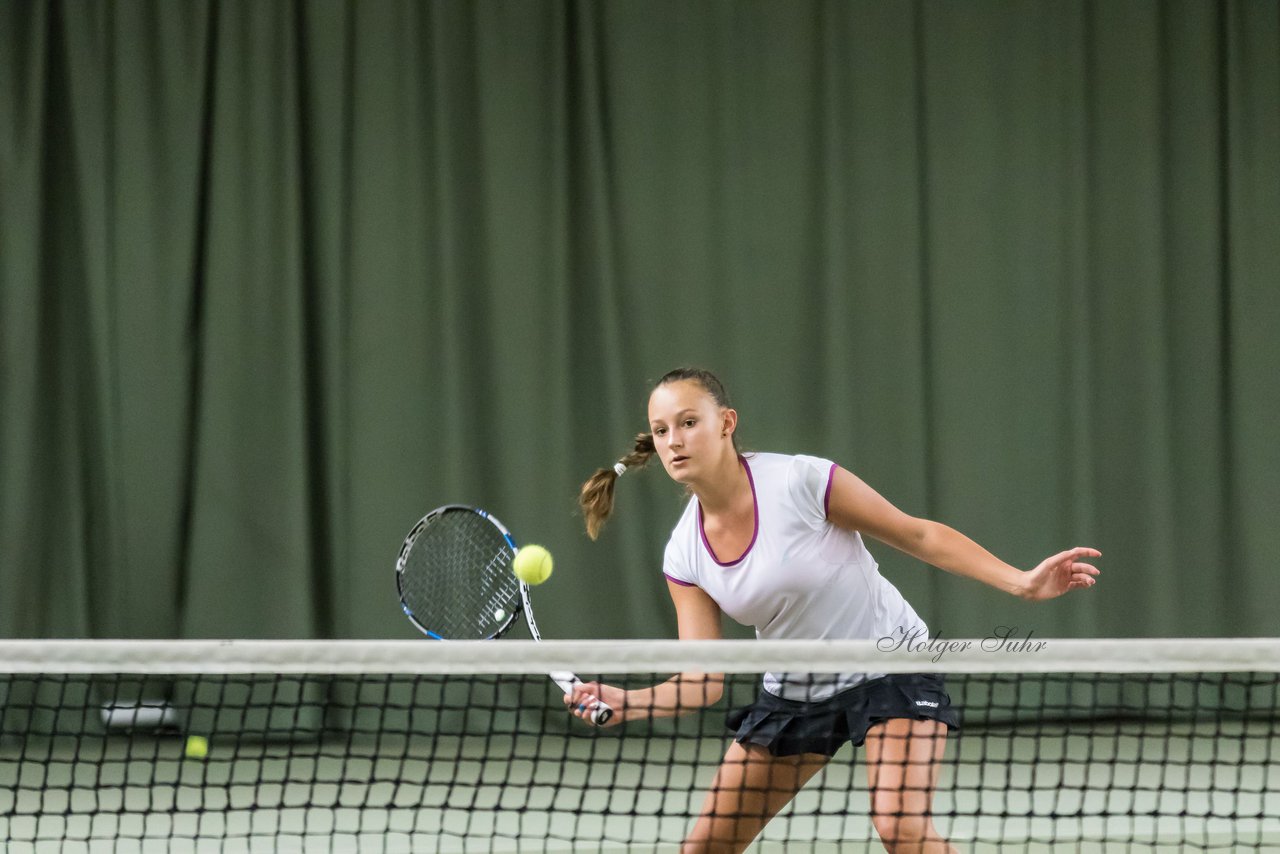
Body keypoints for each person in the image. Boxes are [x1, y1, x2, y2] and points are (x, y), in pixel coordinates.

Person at [569, 367, 1101, 854]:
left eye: (688, 422)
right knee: (702, 850)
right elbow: (702, 680)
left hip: (890, 665)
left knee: (900, 825)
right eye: (661, 431)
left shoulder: (801, 482)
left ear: (726, 422)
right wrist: (628, 701)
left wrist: (1022, 583)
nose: (674, 441)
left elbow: (917, 534)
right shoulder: (684, 553)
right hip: (796, 694)